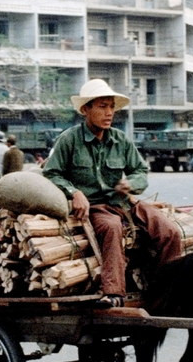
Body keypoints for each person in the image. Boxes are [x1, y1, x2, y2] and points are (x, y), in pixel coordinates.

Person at [42, 78, 183, 308]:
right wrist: (74, 191)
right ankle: (113, 292)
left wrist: (132, 184)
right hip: (96, 206)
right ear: (85, 109)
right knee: (112, 227)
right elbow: (52, 173)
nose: (109, 113)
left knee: (169, 232)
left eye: (111, 107)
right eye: (102, 106)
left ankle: (168, 289)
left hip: (125, 203)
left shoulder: (120, 140)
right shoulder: (69, 140)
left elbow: (140, 171)